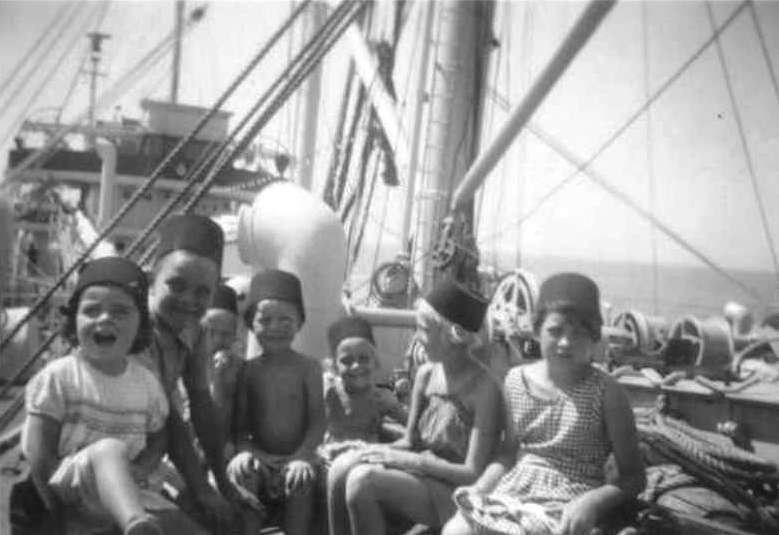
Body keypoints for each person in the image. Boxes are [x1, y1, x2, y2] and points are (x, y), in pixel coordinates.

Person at [443, 273, 646, 535]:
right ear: (537, 331)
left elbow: (634, 478)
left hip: (570, 506)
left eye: (579, 333)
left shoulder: (607, 392)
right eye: (555, 331)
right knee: (455, 530)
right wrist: (480, 488)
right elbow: (507, 455)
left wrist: (592, 503)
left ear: (595, 337)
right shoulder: (516, 381)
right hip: (513, 495)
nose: (565, 342)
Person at [334, 279, 503, 535]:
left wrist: (415, 462)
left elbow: (473, 473)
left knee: (363, 481)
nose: (417, 338)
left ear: (453, 334)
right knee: (341, 467)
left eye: (423, 330)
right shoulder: (425, 375)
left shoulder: (485, 389)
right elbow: (409, 442)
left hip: (454, 492)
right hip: (420, 476)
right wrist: (363, 449)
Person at [22, 256, 170, 535]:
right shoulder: (60, 376)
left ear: (141, 324)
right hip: (72, 490)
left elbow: (160, 436)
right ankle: (134, 525)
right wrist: (57, 513)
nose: (104, 318)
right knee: (109, 451)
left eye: (120, 312)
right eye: (91, 310)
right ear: (73, 319)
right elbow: (39, 454)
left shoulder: (147, 383)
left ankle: (135, 520)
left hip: (128, 489)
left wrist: (143, 468)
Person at [136, 214, 241, 532]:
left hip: (153, 453)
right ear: (152, 280)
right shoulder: (134, 330)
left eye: (202, 292)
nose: (188, 301)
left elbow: (200, 403)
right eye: (176, 285)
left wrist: (223, 481)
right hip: (114, 455)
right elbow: (170, 418)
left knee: (235, 518)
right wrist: (203, 489)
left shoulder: (195, 329)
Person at [228, 268, 325, 535]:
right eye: (265, 319)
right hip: (261, 457)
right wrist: (248, 451)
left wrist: (302, 457)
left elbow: (318, 422)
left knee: (300, 481)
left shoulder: (309, 368)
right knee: (243, 473)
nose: (275, 327)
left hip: (299, 456)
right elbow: (241, 426)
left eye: (285, 319)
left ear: (299, 323)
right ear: (250, 324)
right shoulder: (248, 371)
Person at [323, 315, 408, 535]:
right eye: (346, 360)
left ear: (376, 361)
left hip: (368, 457)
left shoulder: (380, 397)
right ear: (333, 364)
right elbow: (312, 425)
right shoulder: (331, 392)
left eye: (363, 358)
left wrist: (397, 408)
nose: (356, 366)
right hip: (333, 456)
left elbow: (414, 428)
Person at [202, 283, 242, 431]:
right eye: (211, 332)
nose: (218, 340)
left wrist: (219, 379)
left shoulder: (243, 371)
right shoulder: (180, 364)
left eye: (226, 334)